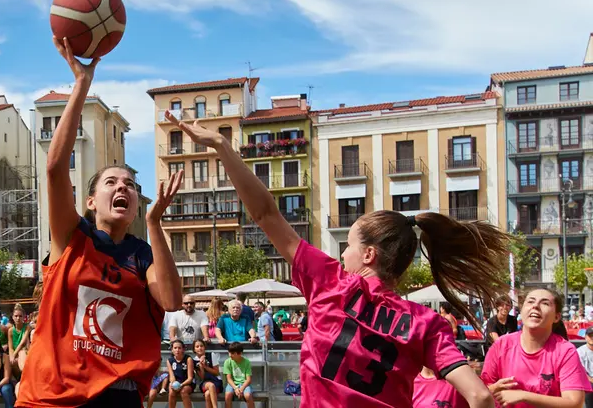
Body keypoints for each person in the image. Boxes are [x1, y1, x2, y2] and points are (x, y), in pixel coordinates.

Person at [168, 113, 504, 408]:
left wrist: (223, 148)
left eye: (349, 246)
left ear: (369, 255)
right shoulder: (426, 323)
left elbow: (265, 213)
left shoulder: (331, 283)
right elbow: (481, 397)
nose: (342, 254)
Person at [16, 36, 183, 408]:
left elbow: (171, 300)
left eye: (130, 185)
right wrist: (81, 85)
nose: (122, 186)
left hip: (115, 394)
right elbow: (56, 168)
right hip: (52, 395)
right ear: (90, 201)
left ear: (137, 204)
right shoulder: (72, 238)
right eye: (111, 182)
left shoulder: (143, 254)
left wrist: (155, 225)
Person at [481, 288, 588, 408]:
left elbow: (575, 402)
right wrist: (493, 389)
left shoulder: (566, 351)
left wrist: (524, 396)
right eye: (530, 301)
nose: (535, 306)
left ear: (556, 317)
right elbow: (480, 392)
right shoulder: (500, 345)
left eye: (545, 303)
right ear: (521, 310)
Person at [223, 342, 254, 408]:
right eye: (229, 352)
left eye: (232, 353)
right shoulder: (227, 362)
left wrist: (241, 389)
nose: (229, 355)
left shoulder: (247, 362)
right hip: (232, 384)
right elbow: (229, 379)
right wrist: (236, 388)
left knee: (248, 396)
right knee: (228, 395)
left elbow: (248, 379)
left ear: (239, 353)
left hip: (244, 384)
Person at [193, 339, 221, 408]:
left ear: (204, 347)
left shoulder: (211, 355)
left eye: (201, 346)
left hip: (216, 381)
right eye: (197, 346)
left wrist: (205, 366)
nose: (200, 348)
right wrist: (201, 367)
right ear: (194, 349)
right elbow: (202, 378)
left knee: (208, 394)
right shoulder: (194, 361)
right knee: (210, 386)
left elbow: (216, 373)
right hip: (205, 383)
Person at [167, 340, 194, 408]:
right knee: (171, 392)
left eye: (179, 348)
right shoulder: (169, 360)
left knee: (183, 391)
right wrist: (174, 385)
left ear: (183, 349)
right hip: (176, 383)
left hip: (187, 383)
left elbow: (190, 378)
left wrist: (181, 385)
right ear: (172, 350)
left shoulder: (188, 359)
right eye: (175, 348)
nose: (177, 350)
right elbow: (171, 376)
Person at [7, 304, 29, 379]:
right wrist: (11, 357)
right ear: (12, 317)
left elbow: (22, 342)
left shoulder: (27, 327)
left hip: (24, 350)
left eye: (20, 316)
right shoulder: (10, 330)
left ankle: (24, 377)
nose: (18, 318)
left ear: (23, 317)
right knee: (9, 361)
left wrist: (14, 354)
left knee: (21, 353)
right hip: (15, 352)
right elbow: (10, 347)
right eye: (16, 316)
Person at [577, 327, 593, 408]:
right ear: (586, 337)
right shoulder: (580, 352)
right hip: (588, 382)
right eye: (590, 335)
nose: (592, 338)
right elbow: (581, 373)